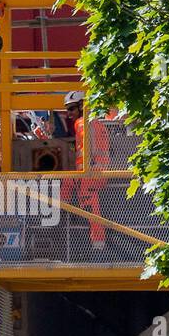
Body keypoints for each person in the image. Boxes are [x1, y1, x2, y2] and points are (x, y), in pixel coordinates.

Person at [62, 90, 110, 249]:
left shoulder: (82, 123)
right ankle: (62, 209)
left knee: (89, 200)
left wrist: (91, 166)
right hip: (92, 172)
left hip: (92, 173)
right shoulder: (94, 121)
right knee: (68, 181)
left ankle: (98, 243)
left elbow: (90, 147)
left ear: (82, 106)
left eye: (71, 109)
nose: (69, 113)